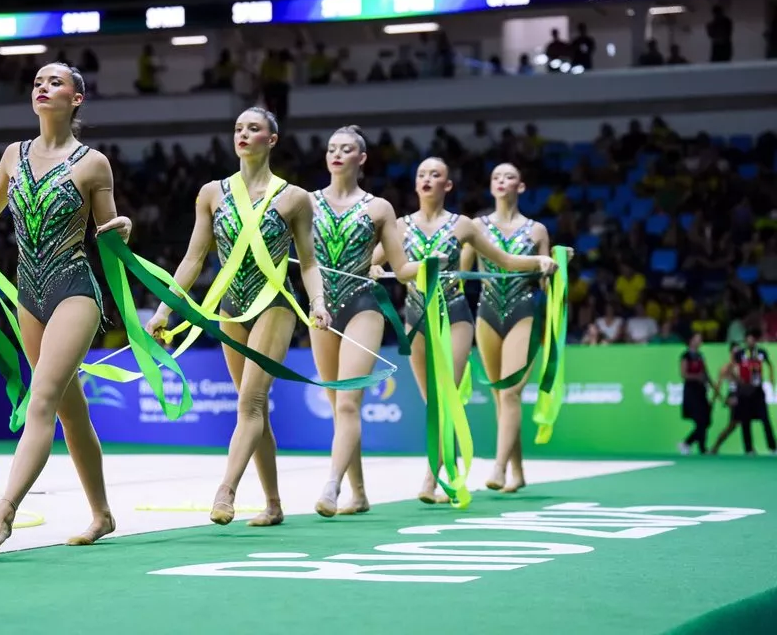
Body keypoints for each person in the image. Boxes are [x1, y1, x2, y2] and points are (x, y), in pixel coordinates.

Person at [0, 62, 132, 556]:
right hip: (27, 293)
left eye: (55, 82)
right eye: (37, 82)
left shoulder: (93, 163)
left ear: (76, 99)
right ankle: (102, 514)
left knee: (42, 400)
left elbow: (108, 229)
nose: (43, 87)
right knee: (72, 413)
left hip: (74, 288)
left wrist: (123, 230)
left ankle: (3, 511)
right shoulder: (14, 155)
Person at [145, 107, 330, 527]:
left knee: (250, 403)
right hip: (231, 305)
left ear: (272, 139)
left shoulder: (294, 198)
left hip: (275, 304)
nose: (243, 134)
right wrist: (161, 311)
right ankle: (274, 504)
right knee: (254, 410)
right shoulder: (212, 193)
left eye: (254, 128)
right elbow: (193, 259)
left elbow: (309, 262)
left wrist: (317, 303)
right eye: (238, 128)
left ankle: (226, 489)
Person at [370, 157, 557, 503]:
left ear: (448, 185)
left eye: (436, 174)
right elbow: (374, 262)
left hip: (455, 315)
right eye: (421, 173)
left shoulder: (465, 226)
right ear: (415, 184)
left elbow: (505, 261)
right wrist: (376, 271)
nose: (427, 179)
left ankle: (432, 478)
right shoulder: (400, 226)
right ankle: (451, 468)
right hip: (415, 318)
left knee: (447, 398)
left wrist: (539, 262)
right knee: (434, 406)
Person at [307, 125, 425, 517]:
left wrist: (428, 269)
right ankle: (358, 492)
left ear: (362, 158)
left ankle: (332, 487)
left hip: (363, 306)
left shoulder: (378, 208)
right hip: (321, 307)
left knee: (348, 404)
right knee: (335, 400)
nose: (337, 154)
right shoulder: (305, 203)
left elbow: (401, 265)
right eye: (331, 148)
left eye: (347, 149)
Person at [462, 163, 551, 494]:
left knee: (511, 391)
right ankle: (518, 469)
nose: (502, 181)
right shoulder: (476, 227)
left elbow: (545, 280)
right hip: (487, 312)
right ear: (490, 186)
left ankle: (498, 468)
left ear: (521, 186)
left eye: (509, 177)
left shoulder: (537, 230)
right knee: (500, 395)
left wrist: (558, 265)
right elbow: (461, 274)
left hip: (524, 311)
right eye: (496, 177)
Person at [711, 330, 777, 454]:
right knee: (744, 421)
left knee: (765, 419)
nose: (750, 341)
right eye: (748, 339)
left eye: (752, 339)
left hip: (757, 390)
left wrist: (771, 380)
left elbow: (770, 365)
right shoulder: (740, 354)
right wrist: (736, 380)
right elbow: (730, 368)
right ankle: (748, 449)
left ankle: (773, 447)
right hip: (743, 391)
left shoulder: (761, 352)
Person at [679, 333, 717, 454]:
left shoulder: (700, 356)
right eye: (697, 339)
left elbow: (706, 373)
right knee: (700, 420)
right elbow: (684, 374)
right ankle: (691, 444)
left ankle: (695, 445)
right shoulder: (686, 356)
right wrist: (697, 377)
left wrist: (712, 385)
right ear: (691, 341)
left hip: (701, 391)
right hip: (691, 391)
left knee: (706, 420)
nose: (700, 341)